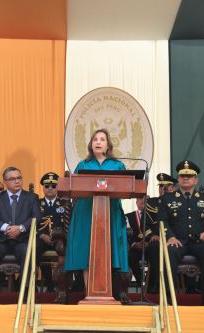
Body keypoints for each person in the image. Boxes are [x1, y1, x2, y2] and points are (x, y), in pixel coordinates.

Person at [64, 129, 130, 304]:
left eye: (102, 139)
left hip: (110, 212)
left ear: (108, 144)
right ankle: (90, 293)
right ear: (90, 144)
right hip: (85, 212)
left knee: (108, 250)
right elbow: (72, 187)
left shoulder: (117, 166)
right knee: (87, 251)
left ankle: (107, 293)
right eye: (95, 139)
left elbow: (127, 188)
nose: (98, 142)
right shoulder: (83, 165)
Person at [156, 160, 204, 305]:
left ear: (196, 180)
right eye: (182, 176)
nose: (186, 178)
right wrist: (170, 236)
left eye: (190, 176)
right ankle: (168, 296)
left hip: (199, 242)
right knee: (170, 251)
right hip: (178, 241)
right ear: (178, 179)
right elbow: (161, 221)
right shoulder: (167, 199)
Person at [0, 166, 41, 303]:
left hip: (22, 239)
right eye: (12, 179)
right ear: (5, 181)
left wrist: (20, 228)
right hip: (1, 239)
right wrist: (6, 228)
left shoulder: (31, 197)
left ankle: (25, 292)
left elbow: (37, 217)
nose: (17, 181)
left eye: (19, 178)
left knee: (28, 250)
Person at [36, 172, 72, 302]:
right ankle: (39, 285)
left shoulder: (65, 203)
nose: (50, 188)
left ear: (57, 188)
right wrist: (41, 235)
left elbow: (68, 224)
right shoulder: (36, 203)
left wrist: (59, 236)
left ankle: (62, 286)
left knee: (63, 249)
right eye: (47, 186)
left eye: (53, 185)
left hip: (59, 239)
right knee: (34, 250)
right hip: (41, 238)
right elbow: (32, 222)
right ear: (43, 188)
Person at [125, 195, 154, 289]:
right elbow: (126, 235)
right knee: (129, 257)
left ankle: (151, 285)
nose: (143, 201)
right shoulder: (127, 216)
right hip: (135, 247)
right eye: (140, 198)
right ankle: (141, 282)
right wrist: (134, 244)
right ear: (136, 202)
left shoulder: (154, 216)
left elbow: (157, 232)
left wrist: (149, 243)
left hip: (150, 246)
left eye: (146, 199)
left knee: (156, 257)